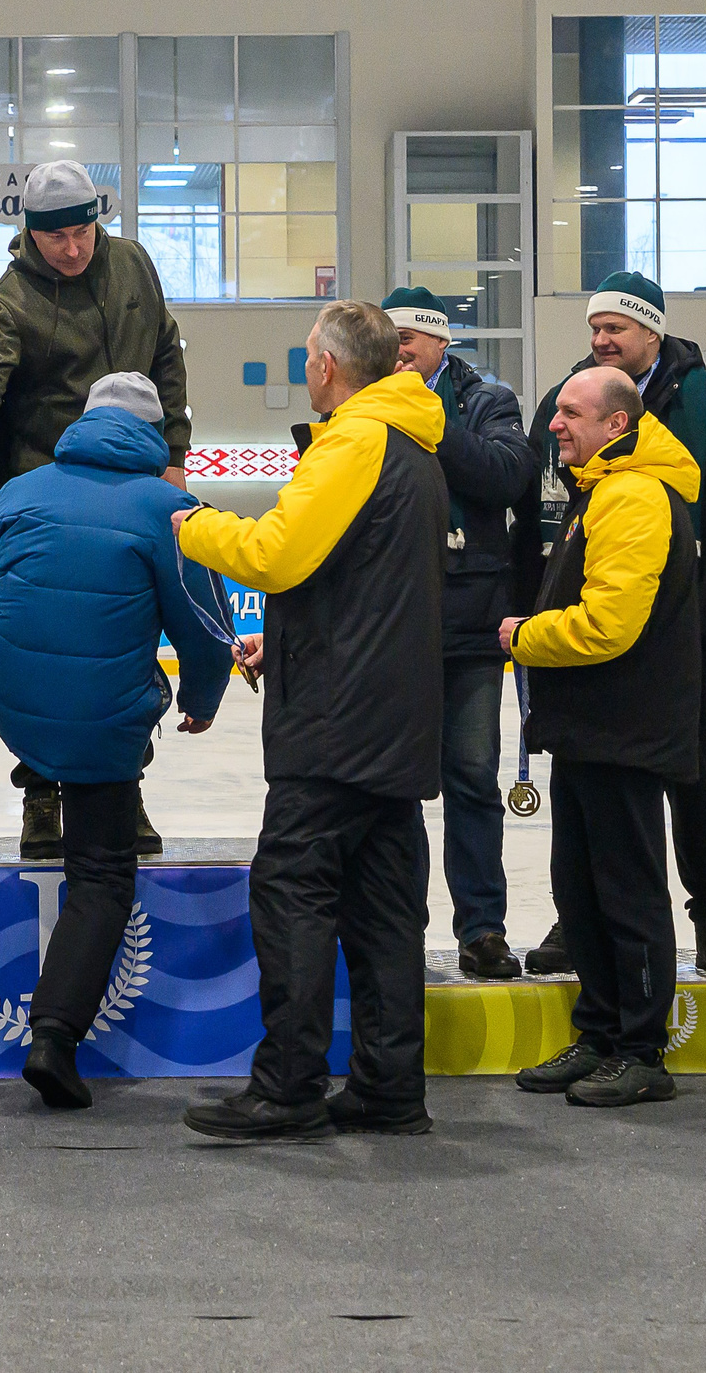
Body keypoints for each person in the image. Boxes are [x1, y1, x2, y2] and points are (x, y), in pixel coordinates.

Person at [173, 301, 446, 1141]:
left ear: (327, 366)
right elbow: (354, 580)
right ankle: (388, 1084)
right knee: (386, 909)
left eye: (306, 359)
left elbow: (277, 554)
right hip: (395, 715)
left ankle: (287, 1084)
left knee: (292, 894)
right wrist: (284, 639)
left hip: (334, 724)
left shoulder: (354, 441)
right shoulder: (413, 443)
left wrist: (192, 525)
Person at [0, 373, 235, 1110]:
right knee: (104, 874)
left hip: (14, 698)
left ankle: (41, 795)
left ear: (84, 423)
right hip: (101, 714)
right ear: (154, 435)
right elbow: (204, 629)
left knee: (68, 729)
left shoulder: (20, 489)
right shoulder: (170, 507)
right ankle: (54, 1036)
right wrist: (200, 701)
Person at [0, 159, 192, 860]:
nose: (72, 250)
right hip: (47, 485)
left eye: (82, 233)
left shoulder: (133, 264)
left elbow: (167, 353)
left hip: (135, 489)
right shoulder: (12, 300)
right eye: (56, 239)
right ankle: (41, 792)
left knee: (125, 643)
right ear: (30, 234)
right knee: (54, 652)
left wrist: (176, 451)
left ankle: (122, 783)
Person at [518, 271, 706, 978]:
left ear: (652, 332)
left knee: (693, 776)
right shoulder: (569, 400)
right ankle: (578, 916)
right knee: (587, 790)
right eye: (595, 329)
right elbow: (540, 514)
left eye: (617, 329)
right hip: (592, 613)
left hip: (685, 624)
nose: (601, 339)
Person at [499, 366, 701, 1108]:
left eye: (573, 413)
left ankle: (642, 1046)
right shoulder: (600, 489)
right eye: (557, 411)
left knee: (627, 891)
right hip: (589, 729)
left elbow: (610, 625)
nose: (556, 422)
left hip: (627, 729)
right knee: (580, 889)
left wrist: (527, 634)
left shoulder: (637, 496)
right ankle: (602, 1029)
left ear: (618, 424)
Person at [382, 285, 538, 981]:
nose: (400, 353)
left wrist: (431, 421)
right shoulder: (367, 401)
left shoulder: (488, 400)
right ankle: (398, 929)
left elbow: (507, 476)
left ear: (441, 343)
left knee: (472, 778)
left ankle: (482, 928)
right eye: (390, 344)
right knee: (399, 785)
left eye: (411, 341)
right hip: (396, 622)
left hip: (473, 623)